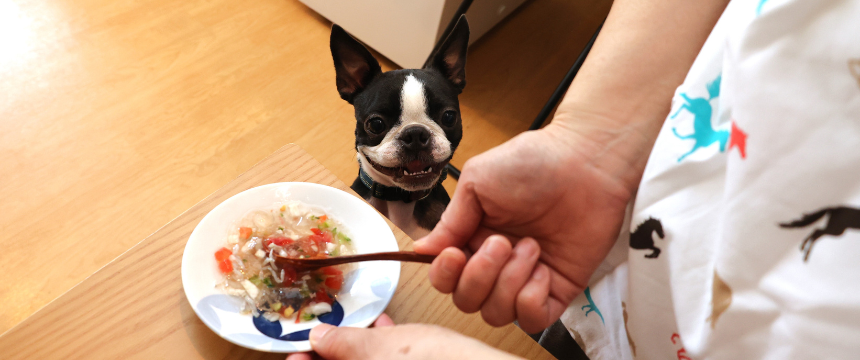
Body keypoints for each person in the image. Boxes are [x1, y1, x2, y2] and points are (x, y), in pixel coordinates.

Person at [288, 0, 860, 358]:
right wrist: (590, 144)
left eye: (440, 120)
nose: (417, 144)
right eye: (381, 126)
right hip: (608, 259)